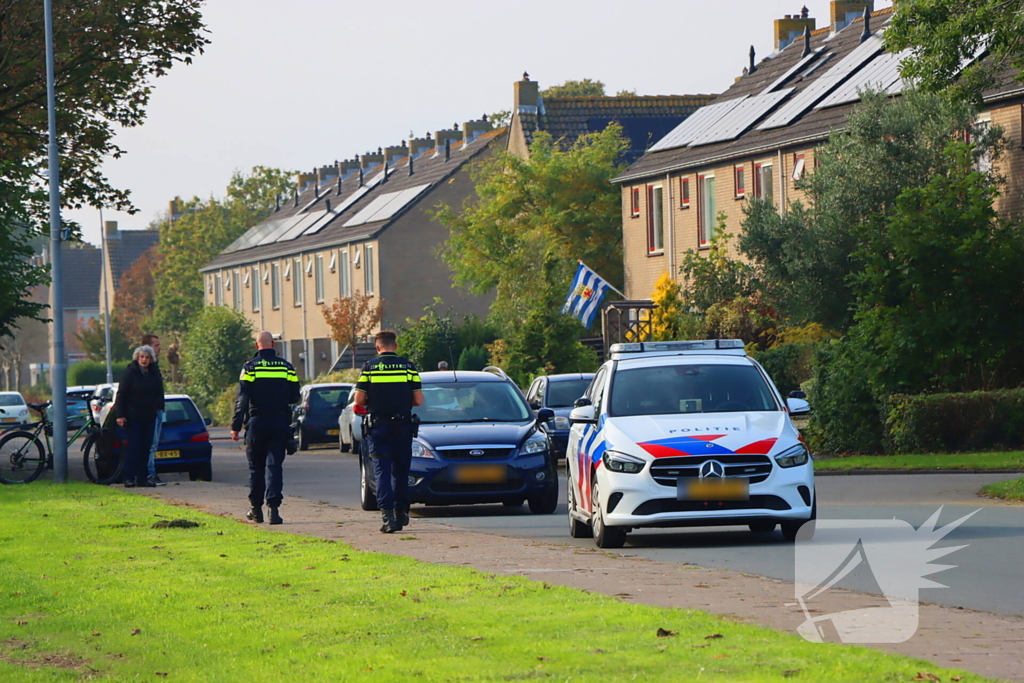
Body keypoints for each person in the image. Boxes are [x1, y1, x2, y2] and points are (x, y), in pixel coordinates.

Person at [354, 330, 423, 534]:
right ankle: (401, 512)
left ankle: (388, 517)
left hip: (379, 427)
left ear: (377, 347)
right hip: (402, 426)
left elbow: (359, 400)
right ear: (396, 346)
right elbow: (419, 400)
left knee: (382, 471)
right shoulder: (408, 367)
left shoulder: (369, 367)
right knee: (401, 471)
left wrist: (375, 401)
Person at [231, 331, 300, 525]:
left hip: (257, 423)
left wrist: (236, 426)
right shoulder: (286, 367)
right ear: (273, 344)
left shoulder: (250, 367)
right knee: (274, 467)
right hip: (279, 423)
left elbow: (242, 398)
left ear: (256, 346)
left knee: (256, 468)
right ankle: (274, 511)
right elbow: (295, 397)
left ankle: (256, 510)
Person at [113, 346, 164, 488]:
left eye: (147, 357)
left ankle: (142, 478)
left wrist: (160, 405)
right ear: (137, 358)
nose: (144, 360)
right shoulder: (130, 372)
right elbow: (121, 394)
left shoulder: (154, 372)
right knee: (134, 447)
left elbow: (159, 390)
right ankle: (129, 477)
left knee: (146, 447)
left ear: (151, 359)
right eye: (142, 357)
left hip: (149, 415)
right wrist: (120, 415)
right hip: (133, 415)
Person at [141, 333, 166, 486]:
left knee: (153, 444)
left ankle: (150, 472)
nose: (159, 348)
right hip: (150, 411)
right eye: (156, 345)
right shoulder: (146, 369)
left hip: (156, 409)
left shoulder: (154, 367)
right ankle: (149, 473)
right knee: (151, 444)